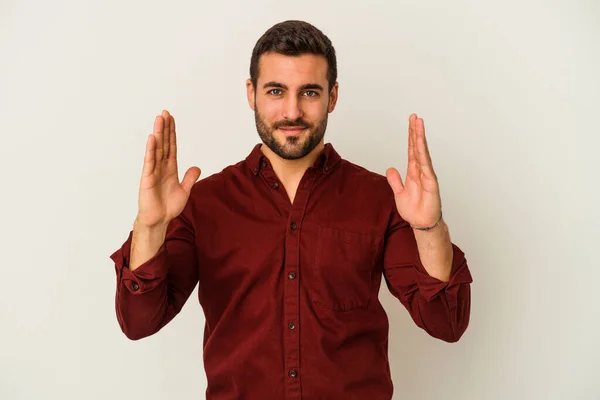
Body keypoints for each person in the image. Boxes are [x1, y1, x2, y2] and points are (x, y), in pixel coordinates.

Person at [110, 19, 473, 400]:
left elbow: (446, 323)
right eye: (276, 91)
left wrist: (431, 229)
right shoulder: (203, 203)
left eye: (310, 92)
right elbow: (138, 322)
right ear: (251, 93)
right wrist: (149, 226)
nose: (292, 111)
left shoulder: (381, 199)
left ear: (332, 97)